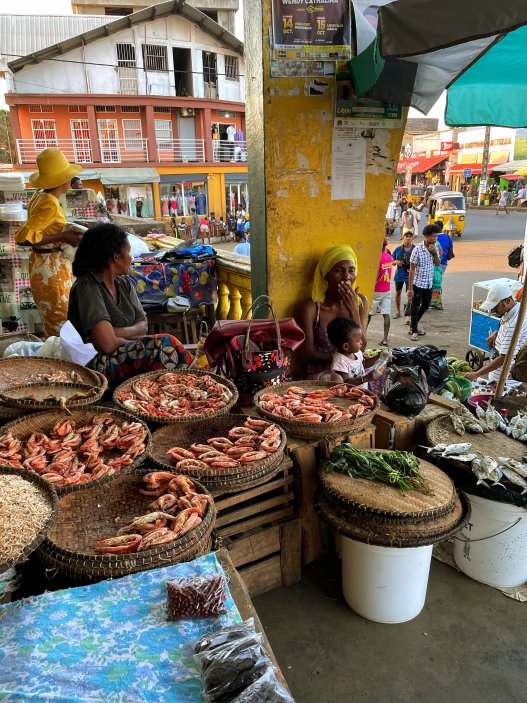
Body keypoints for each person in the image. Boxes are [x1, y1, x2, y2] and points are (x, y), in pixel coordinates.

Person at [67, 224, 193, 386]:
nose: (131, 258)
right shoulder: (87, 287)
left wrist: (116, 332)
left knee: (169, 346)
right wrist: (133, 340)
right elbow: (107, 345)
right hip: (95, 365)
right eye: (128, 252)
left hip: (121, 354)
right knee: (162, 346)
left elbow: (143, 325)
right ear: (116, 257)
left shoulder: (123, 283)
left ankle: (191, 390)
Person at [14, 148, 83, 337]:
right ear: (63, 180)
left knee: (53, 318)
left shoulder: (40, 196)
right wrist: (62, 237)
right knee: (60, 318)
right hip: (50, 268)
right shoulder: (49, 203)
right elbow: (23, 237)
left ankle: (55, 356)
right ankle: (61, 360)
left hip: (42, 264)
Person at [297, 245, 368, 379]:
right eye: (339, 271)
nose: (347, 277)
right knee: (337, 380)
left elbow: (362, 346)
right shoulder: (311, 308)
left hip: (353, 366)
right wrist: (341, 359)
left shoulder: (360, 302)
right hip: (324, 371)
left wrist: (353, 310)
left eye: (351, 270)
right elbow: (307, 354)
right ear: (326, 276)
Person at [465, 284, 527, 383]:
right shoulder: (519, 308)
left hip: (504, 377)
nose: (493, 310)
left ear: (507, 301)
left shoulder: (513, 325)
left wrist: (477, 374)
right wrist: (497, 333)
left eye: (495, 306)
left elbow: (504, 358)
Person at [407, 224, 441, 341]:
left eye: (436, 236)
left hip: (428, 283)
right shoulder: (417, 250)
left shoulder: (435, 246)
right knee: (415, 307)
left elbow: (437, 263)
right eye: (433, 236)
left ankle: (413, 325)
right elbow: (412, 269)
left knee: (426, 305)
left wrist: (434, 253)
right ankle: (414, 331)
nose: (435, 239)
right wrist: (410, 288)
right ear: (426, 236)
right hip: (418, 284)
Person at [327, 317, 379, 386]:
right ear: (346, 346)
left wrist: (378, 357)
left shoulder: (357, 353)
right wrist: (366, 378)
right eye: (357, 340)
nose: (361, 342)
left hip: (362, 391)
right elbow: (346, 382)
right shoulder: (340, 361)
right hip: (351, 395)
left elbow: (363, 364)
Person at [368, 239, 393, 346]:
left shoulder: (377, 258)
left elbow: (376, 274)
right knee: (386, 314)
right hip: (387, 289)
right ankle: (385, 339)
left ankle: (362, 335)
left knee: (368, 314)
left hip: (376, 290)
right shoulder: (389, 257)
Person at [392, 231, 415, 322]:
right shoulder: (398, 249)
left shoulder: (415, 249)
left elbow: (419, 262)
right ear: (403, 237)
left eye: (410, 237)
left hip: (410, 276)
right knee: (398, 293)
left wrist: (413, 268)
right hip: (399, 275)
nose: (408, 238)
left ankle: (408, 315)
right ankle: (398, 311)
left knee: (410, 295)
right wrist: (396, 262)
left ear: (412, 239)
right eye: (406, 236)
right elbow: (391, 261)